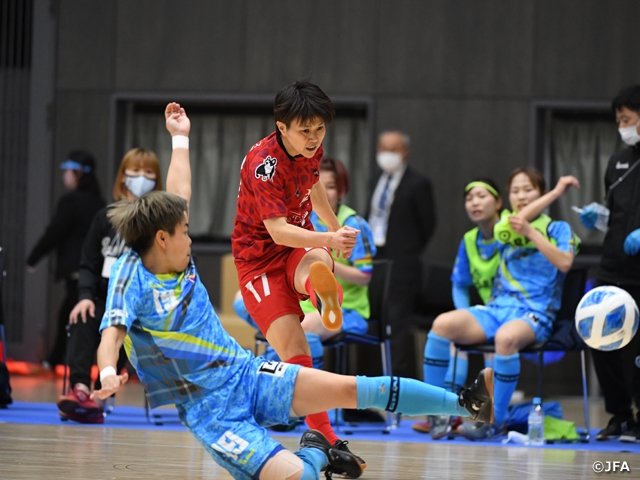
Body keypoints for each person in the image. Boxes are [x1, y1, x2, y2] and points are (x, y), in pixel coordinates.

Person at [91, 102, 495, 480]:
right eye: (184, 233)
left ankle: (467, 402)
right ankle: (319, 450)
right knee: (301, 476)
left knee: (354, 387)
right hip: (212, 411)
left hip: (246, 373)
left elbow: (180, 189)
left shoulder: (178, 250)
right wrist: (108, 372)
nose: (190, 238)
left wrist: (181, 137)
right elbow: (111, 335)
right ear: (161, 239)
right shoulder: (131, 277)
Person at [231, 79, 365, 469]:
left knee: (317, 257)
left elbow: (314, 184)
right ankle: (329, 440)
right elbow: (277, 231)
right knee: (297, 357)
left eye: (319, 129)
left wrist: (334, 225)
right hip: (259, 261)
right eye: (304, 130)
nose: (313, 138)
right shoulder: (263, 164)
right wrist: (329, 235)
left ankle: (320, 285)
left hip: (297, 247)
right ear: (281, 125)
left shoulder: (311, 148)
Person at [423, 168, 579, 440]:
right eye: (515, 191)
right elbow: (516, 221)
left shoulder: (558, 228)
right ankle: (435, 409)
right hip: (496, 309)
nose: (521, 196)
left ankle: (495, 418)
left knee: (505, 339)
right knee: (442, 324)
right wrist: (552, 196)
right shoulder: (505, 225)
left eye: (528, 189)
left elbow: (565, 263)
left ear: (540, 193)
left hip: (535, 313)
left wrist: (532, 232)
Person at [233, 156, 377, 367]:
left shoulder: (353, 224)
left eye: (331, 187)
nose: (325, 193)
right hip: (305, 297)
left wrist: (327, 267)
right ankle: (283, 358)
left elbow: (365, 277)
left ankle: (272, 375)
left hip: (348, 309)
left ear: (342, 189)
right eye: (320, 186)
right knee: (241, 299)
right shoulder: (305, 218)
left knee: (303, 328)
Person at [56, 148, 163, 423]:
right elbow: (89, 263)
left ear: (157, 179)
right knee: (82, 316)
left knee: (123, 329)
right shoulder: (104, 218)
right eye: (134, 171)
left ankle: (102, 391)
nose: (141, 177)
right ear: (123, 177)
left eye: (148, 172)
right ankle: (80, 389)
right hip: (102, 297)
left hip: (137, 306)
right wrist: (85, 297)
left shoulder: (159, 223)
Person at [414, 178, 502, 438]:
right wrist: (466, 312)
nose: (474, 202)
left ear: (498, 202)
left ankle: (491, 417)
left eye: (481, 196)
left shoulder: (512, 231)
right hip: (488, 313)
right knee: (446, 332)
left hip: (514, 311)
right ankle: (440, 412)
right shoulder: (469, 239)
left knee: (495, 348)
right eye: (469, 198)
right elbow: (459, 284)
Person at [578, 84, 640, 443]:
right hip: (612, 267)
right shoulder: (619, 160)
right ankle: (619, 415)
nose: (622, 126)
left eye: (627, 119)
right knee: (599, 338)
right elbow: (616, 215)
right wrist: (597, 217)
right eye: (618, 120)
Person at [367, 131, 436, 379]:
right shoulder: (376, 180)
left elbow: (427, 225)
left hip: (402, 265)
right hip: (374, 258)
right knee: (375, 323)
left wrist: (406, 252)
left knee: (397, 325)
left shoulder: (418, 183)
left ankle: (401, 384)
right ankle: (376, 381)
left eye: (393, 149)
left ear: (405, 152)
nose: (387, 154)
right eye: (383, 148)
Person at [26, 151, 105, 368]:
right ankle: (62, 359)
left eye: (67, 171)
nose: (65, 176)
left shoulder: (71, 201)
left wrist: (33, 258)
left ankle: (60, 360)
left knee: (74, 316)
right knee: (78, 314)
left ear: (78, 173)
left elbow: (55, 232)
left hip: (79, 269)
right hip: (95, 269)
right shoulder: (100, 202)